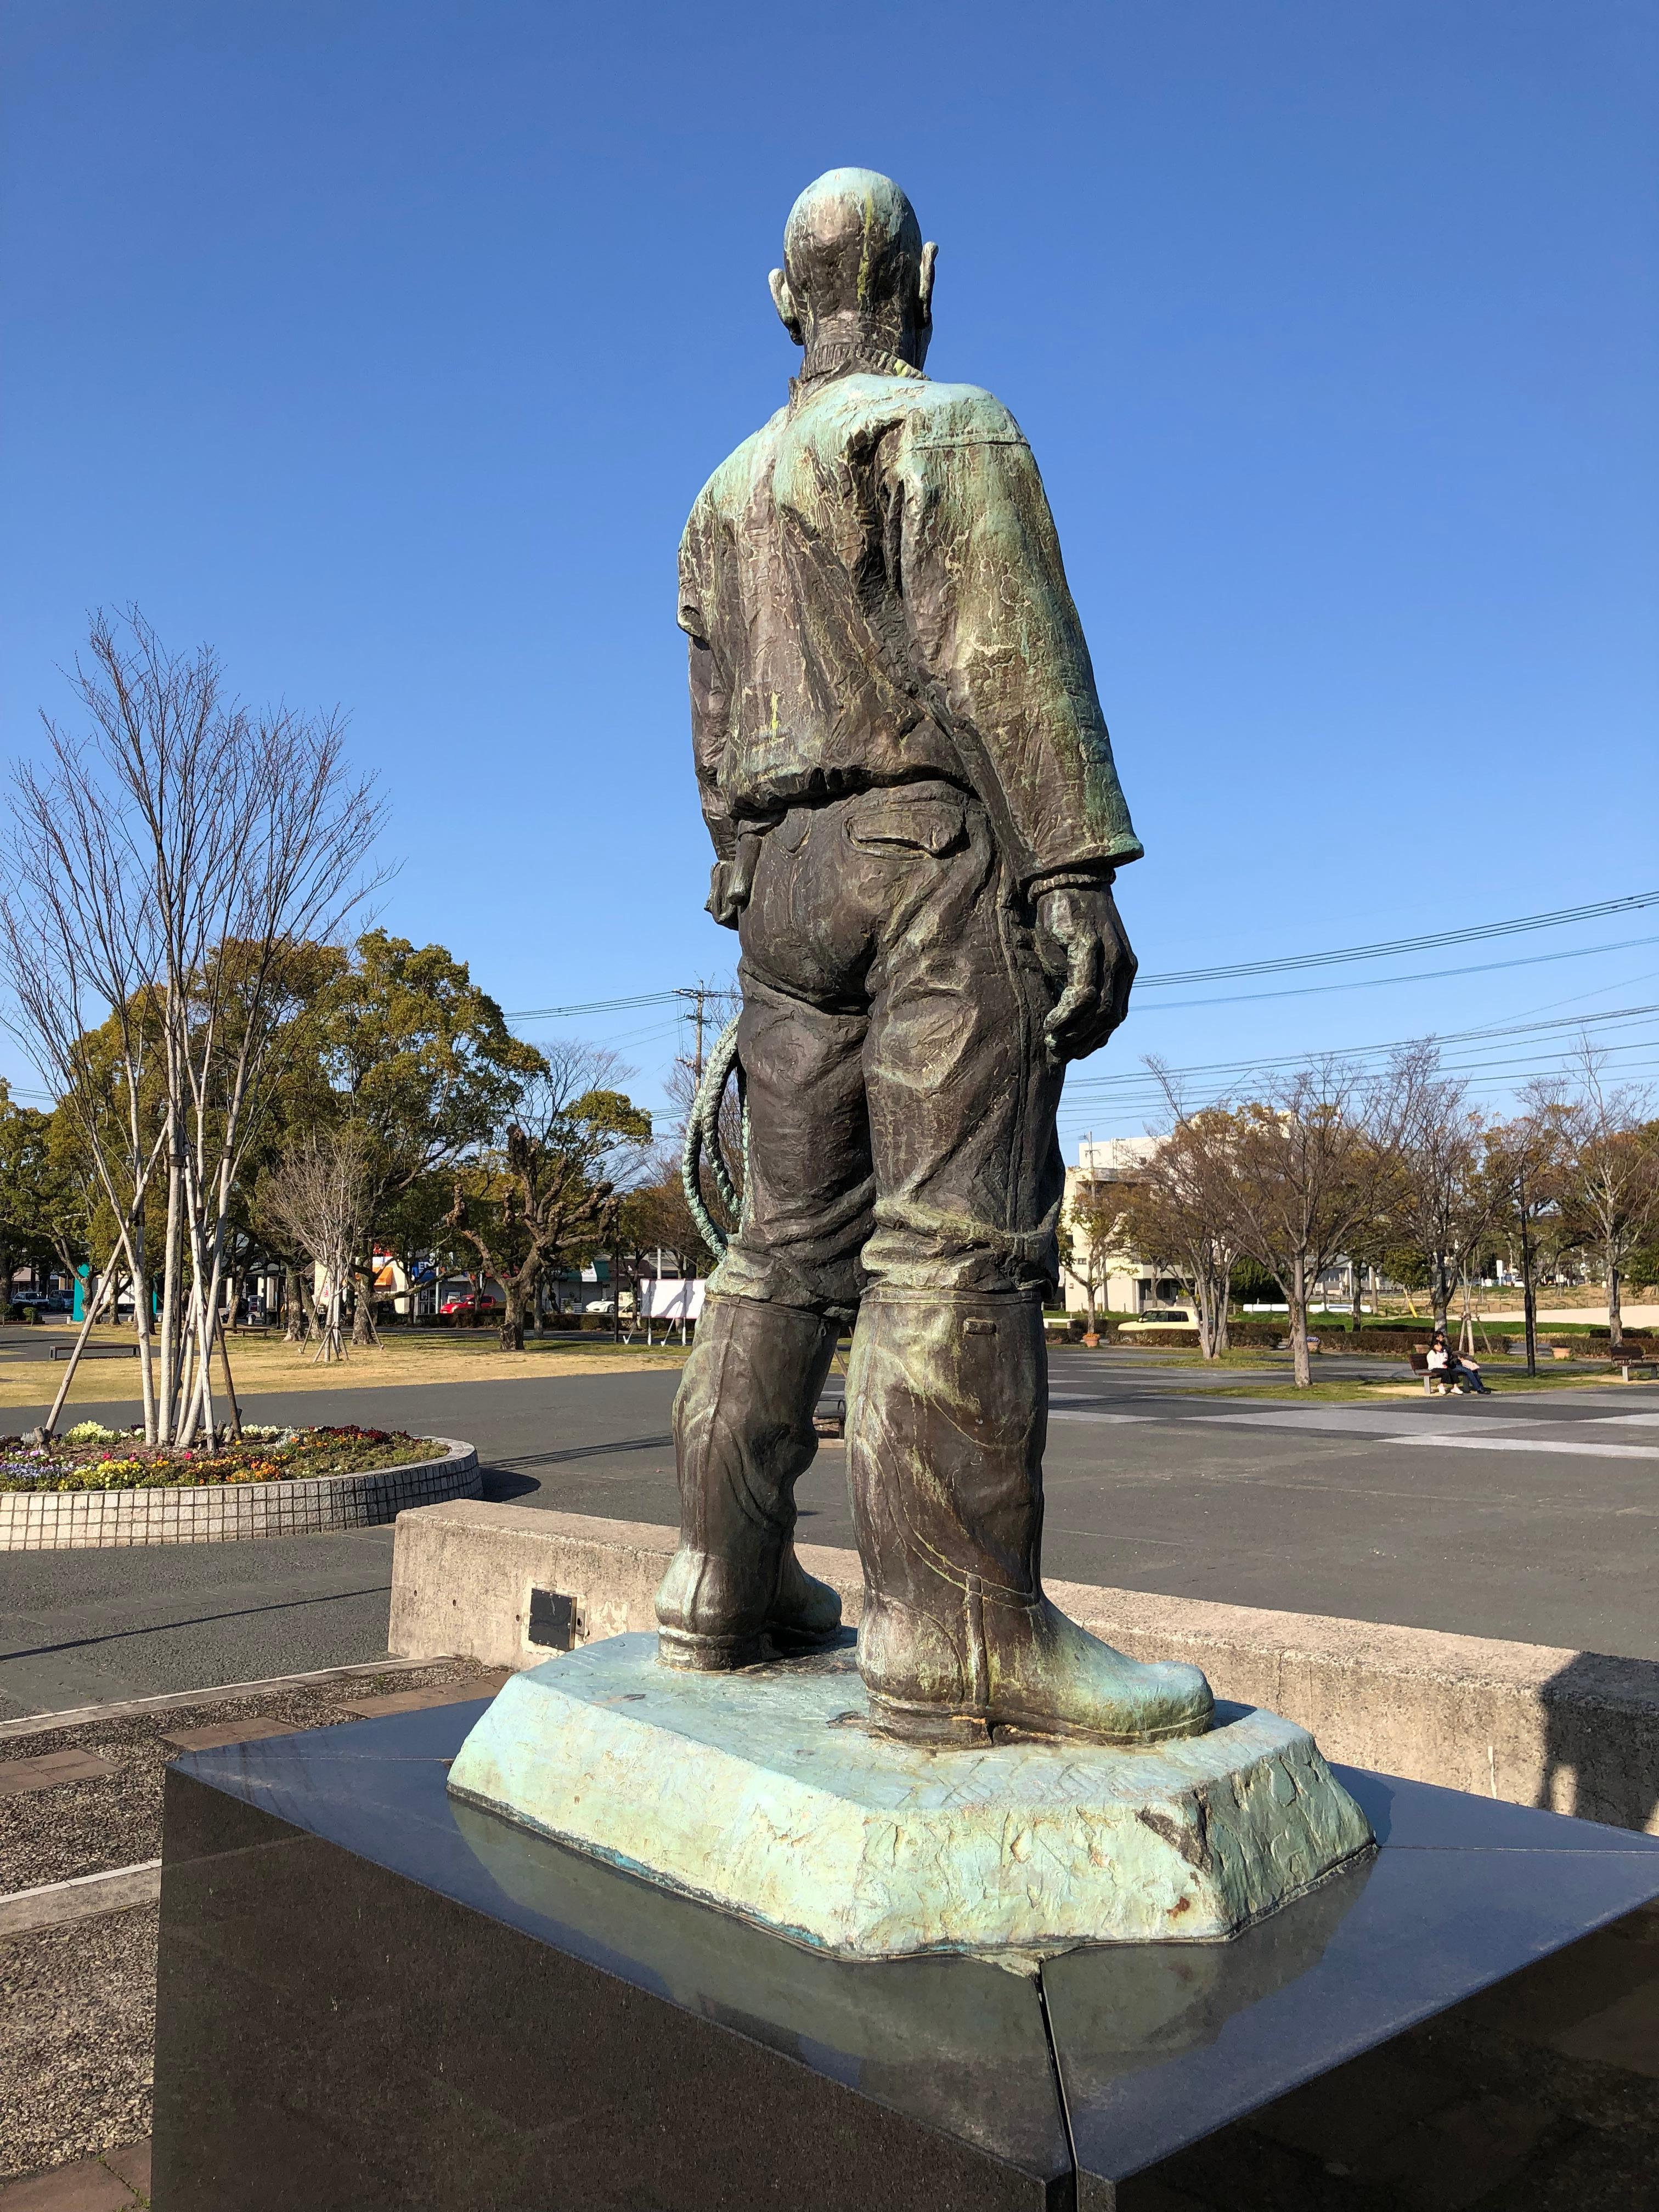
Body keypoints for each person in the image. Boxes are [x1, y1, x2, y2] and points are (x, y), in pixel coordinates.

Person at [653, 168, 1212, 1748]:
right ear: (922, 275)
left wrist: (738, 864)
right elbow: (1001, 655)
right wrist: (1072, 869)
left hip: (776, 883)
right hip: (926, 852)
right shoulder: (946, 425)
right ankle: (958, 1640)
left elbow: (711, 731)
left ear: (785, 295)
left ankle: (722, 1581)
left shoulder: (721, 495)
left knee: (779, 1247)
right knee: (954, 1245)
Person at [1429, 1327, 1491, 1395]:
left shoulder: (1444, 1346)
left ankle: (1481, 1387)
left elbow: (1451, 1355)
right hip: (1450, 1366)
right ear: (1436, 1338)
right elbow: (1446, 1359)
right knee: (1468, 1371)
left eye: (1442, 1337)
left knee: (1473, 1369)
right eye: (1440, 1338)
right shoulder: (1439, 1348)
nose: (1442, 1339)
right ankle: (1479, 1389)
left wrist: (1459, 1358)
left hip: (1454, 1363)